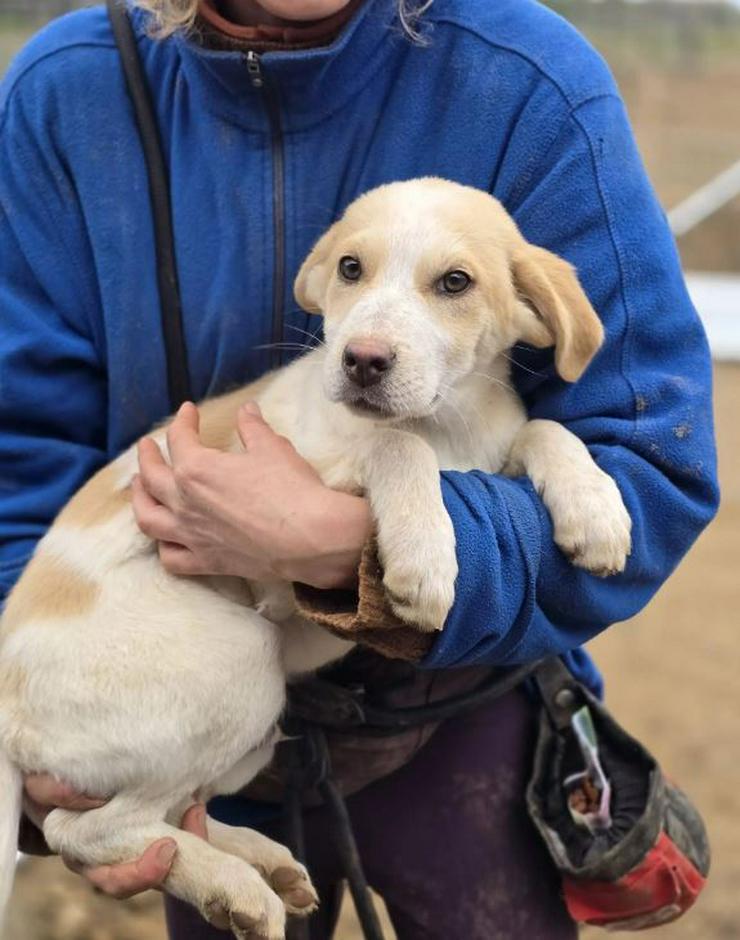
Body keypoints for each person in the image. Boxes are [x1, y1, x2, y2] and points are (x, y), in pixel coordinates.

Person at [0, 0, 719, 937]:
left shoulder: (528, 80)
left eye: (451, 285)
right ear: (326, 277)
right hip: (190, 701)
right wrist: (58, 722)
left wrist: (349, 549)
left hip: (463, 704)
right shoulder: (67, 92)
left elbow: (648, 472)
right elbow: (15, 454)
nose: (374, 336)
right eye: (350, 273)